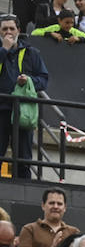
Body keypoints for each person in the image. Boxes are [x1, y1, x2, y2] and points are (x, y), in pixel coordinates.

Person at [0, 14, 49, 177]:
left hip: (23, 112)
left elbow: (43, 79)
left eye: (11, 29)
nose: (8, 32)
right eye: (4, 29)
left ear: (18, 30)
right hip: (1, 110)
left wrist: (28, 81)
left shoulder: (31, 53)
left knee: (23, 158)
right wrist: (4, 50)